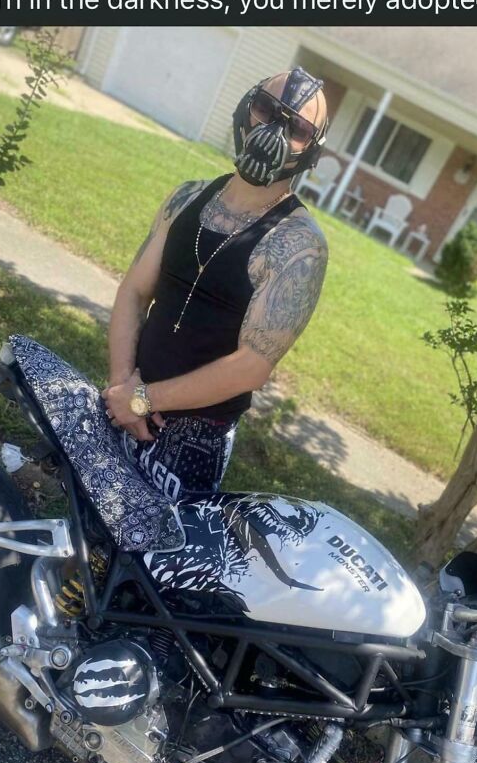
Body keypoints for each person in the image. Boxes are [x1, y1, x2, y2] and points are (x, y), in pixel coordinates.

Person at [103, 66, 329, 503]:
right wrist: (121, 387)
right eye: (266, 108)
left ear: (312, 151)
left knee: (147, 567)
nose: (274, 130)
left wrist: (144, 401)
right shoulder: (187, 197)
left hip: (192, 439)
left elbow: (253, 365)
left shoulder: (299, 246)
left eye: (298, 128)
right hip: (127, 394)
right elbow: (133, 292)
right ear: (247, 107)